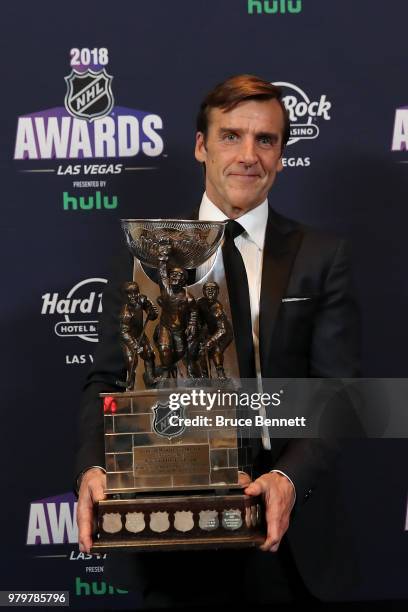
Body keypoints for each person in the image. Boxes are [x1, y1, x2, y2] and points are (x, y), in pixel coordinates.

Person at [75, 74, 361, 605]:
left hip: (285, 531)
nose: (248, 155)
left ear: (281, 155)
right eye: (231, 136)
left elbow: (339, 392)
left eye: (266, 140)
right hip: (168, 522)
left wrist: (288, 479)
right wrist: (94, 467)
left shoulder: (323, 257)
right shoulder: (146, 253)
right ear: (202, 146)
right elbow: (108, 377)